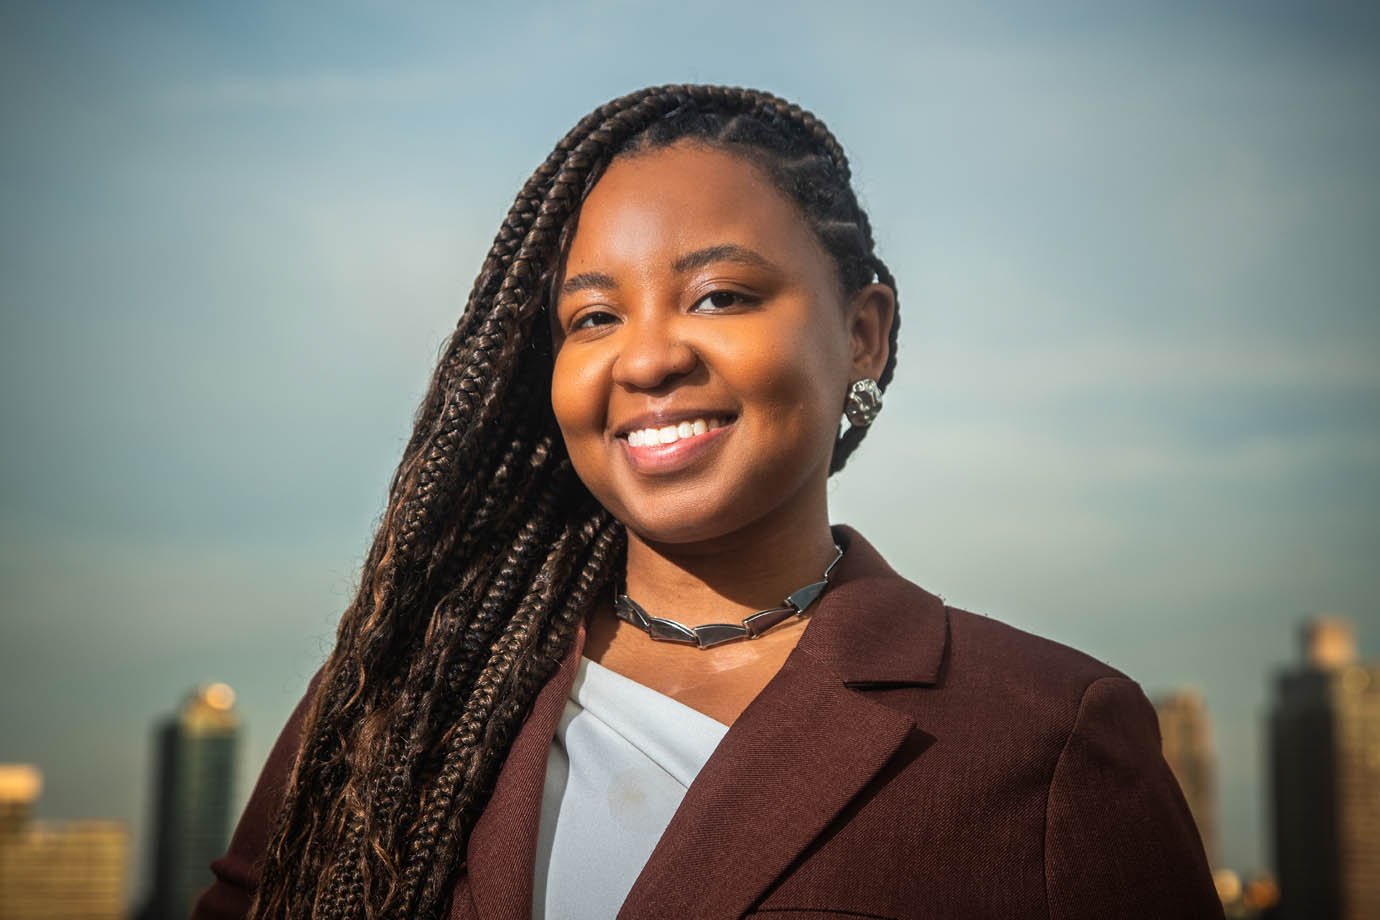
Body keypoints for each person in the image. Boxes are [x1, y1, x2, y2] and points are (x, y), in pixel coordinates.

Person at [192, 85, 1222, 920]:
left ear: (864, 330)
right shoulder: (399, 696)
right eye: (592, 315)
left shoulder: (1049, 737)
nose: (647, 355)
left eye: (720, 295)